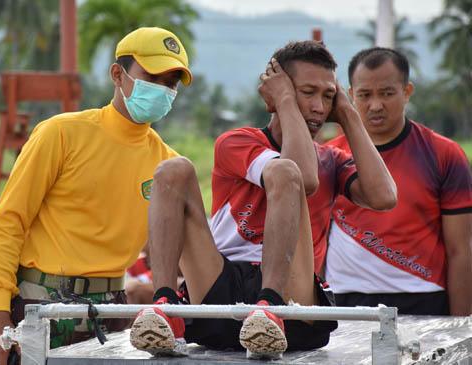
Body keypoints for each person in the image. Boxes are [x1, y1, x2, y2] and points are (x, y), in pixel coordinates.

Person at [129, 41, 396, 359]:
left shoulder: (331, 160)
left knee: (286, 171)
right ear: (273, 93)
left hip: (292, 306)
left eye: (328, 97)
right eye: (307, 92)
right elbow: (299, 174)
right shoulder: (237, 141)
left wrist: (350, 115)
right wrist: (284, 101)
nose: (318, 107)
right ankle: (166, 308)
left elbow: (384, 197)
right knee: (173, 170)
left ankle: (268, 306)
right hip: (220, 291)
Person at [0, 27, 193, 364]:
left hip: (112, 314)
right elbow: (8, 223)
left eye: (171, 83)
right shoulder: (61, 133)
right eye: (152, 76)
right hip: (40, 306)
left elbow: (176, 251)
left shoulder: (168, 165)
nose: (162, 89)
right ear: (117, 74)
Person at [325, 47, 472, 316]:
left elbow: (461, 251)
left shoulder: (445, 155)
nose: (376, 105)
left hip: (422, 299)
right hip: (343, 301)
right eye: (365, 95)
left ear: (407, 92)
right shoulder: (328, 157)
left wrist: (463, 329)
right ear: (350, 96)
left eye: (387, 93)